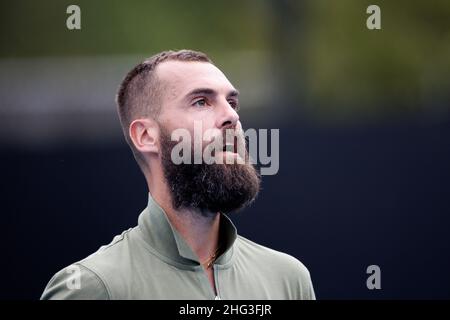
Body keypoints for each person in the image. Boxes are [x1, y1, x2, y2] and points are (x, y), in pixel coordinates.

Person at [40, 50, 315, 300]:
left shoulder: (288, 281)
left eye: (232, 102)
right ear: (146, 136)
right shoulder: (94, 287)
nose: (231, 116)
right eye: (201, 102)